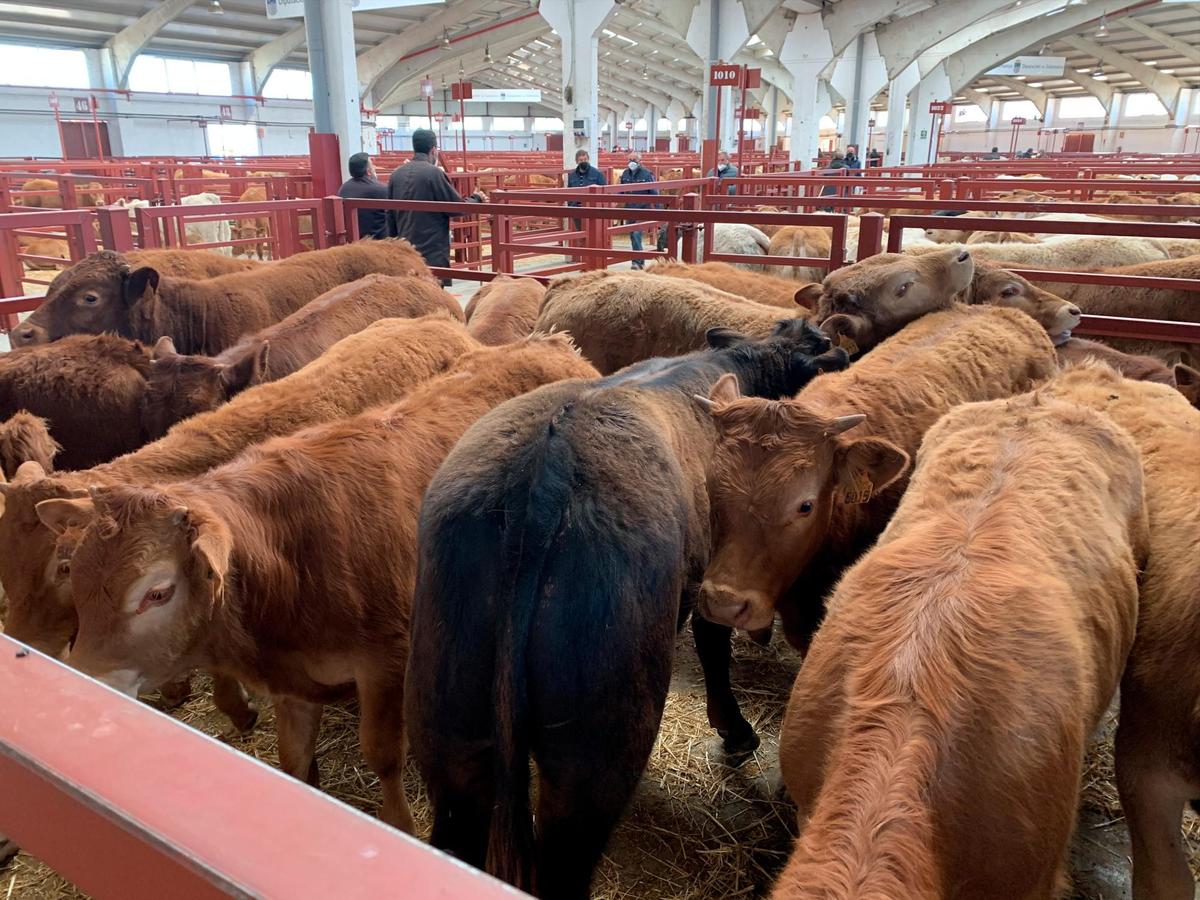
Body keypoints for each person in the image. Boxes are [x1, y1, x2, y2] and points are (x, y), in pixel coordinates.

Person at [387, 128, 484, 282]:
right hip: (431, 252)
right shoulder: (433, 173)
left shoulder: (396, 175)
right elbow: (456, 207)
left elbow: (390, 215)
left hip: (404, 251)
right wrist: (476, 199)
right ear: (433, 150)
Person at [618, 151, 658, 269]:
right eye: (630, 160)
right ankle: (638, 260)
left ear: (640, 161)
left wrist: (659, 210)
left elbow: (654, 193)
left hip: (642, 210)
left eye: (634, 160)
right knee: (633, 235)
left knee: (636, 234)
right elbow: (621, 192)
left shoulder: (647, 174)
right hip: (629, 209)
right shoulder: (625, 174)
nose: (632, 162)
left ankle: (637, 262)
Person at [337, 152, 389, 240]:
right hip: (379, 242)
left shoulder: (343, 188)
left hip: (353, 240)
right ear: (368, 171)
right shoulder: (380, 189)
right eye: (372, 165)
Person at [566, 148, 606, 233]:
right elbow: (569, 191)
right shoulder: (572, 176)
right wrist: (571, 205)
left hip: (592, 209)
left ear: (588, 160)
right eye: (581, 160)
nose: (583, 161)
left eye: (585, 159)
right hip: (577, 210)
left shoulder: (597, 174)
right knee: (580, 233)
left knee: (593, 232)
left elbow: (604, 189)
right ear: (577, 161)